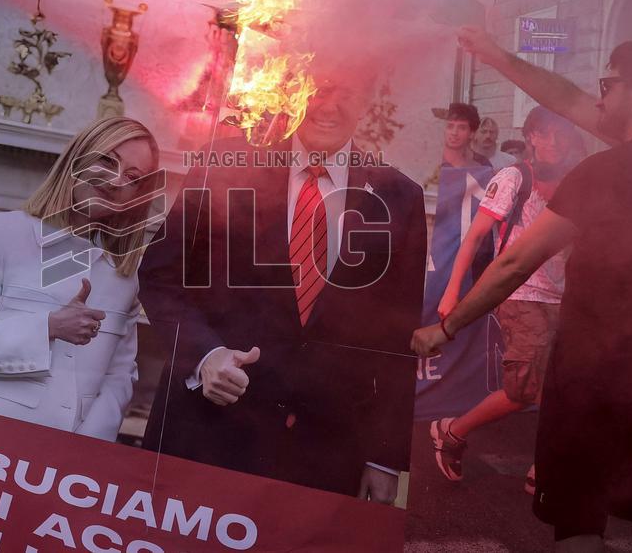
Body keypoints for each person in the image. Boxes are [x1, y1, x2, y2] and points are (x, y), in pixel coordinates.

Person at [412, 29, 632, 553]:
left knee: (576, 515)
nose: (598, 98)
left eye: (609, 84)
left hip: (591, 371)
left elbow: (517, 261)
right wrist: (500, 58)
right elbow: (571, 101)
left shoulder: (601, 172)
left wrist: (447, 326)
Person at [138, 61, 428, 503]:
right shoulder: (224, 165)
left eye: (346, 91)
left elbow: (397, 337)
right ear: (293, 90)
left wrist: (384, 457)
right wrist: (206, 355)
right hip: (209, 434)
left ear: (368, 101)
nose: (329, 106)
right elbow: (160, 277)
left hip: (321, 454)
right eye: (318, 89)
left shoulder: (400, 197)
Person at [0, 117, 160, 442]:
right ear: (78, 158)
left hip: (57, 467)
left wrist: (88, 444)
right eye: (107, 160)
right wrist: (48, 327)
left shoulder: (124, 276)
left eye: (133, 177)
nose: (115, 180)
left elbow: (119, 375)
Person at [432, 106, 579, 493]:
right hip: (519, 292)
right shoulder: (514, 177)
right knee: (524, 390)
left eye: (559, 135)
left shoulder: (574, 182)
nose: (553, 142)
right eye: (544, 134)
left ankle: (542, 466)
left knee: (562, 385)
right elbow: (476, 236)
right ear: (531, 137)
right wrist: (452, 290)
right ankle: (453, 431)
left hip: (563, 296)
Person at [441, 103, 493, 168]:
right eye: (450, 126)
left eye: (462, 128)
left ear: (472, 133)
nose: (454, 133)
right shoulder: (430, 161)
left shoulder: (482, 164)